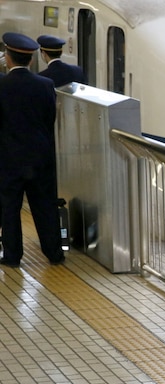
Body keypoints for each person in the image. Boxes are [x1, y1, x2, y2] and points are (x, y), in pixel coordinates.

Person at [0, 32, 65, 267]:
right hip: (41, 157)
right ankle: (54, 253)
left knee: (10, 207)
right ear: (30, 60)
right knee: (45, 205)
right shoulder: (45, 84)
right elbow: (50, 119)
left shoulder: (2, 85)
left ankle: (12, 256)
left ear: (8, 58)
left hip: (8, 158)